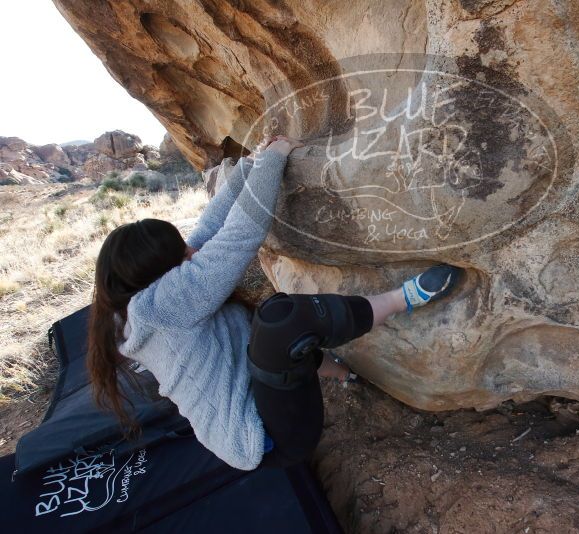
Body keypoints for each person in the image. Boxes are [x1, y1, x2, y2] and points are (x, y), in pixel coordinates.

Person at [86, 135, 463, 470]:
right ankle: (404, 298)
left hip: (267, 407)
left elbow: (208, 229)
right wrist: (277, 156)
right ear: (158, 272)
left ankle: (345, 374)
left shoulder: (143, 301)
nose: (191, 250)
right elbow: (240, 234)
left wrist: (250, 164)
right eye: (180, 251)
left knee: (271, 341)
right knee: (280, 322)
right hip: (266, 440)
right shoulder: (162, 308)